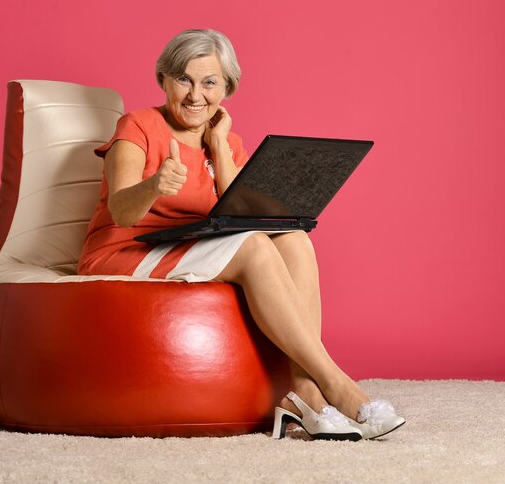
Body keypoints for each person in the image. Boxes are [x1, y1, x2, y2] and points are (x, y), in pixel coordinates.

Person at [78, 28, 405, 441]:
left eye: (210, 82)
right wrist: (155, 185)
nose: (196, 95)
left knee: (294, 239)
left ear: (227, 88)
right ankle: (338, 385)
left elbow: (242, 216)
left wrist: (217, 144)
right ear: (163, 79)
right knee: (252, 248)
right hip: (126, 248)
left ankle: (303, 393)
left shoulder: (227, 142)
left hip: (185, 244)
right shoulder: (139, 126)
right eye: (184, 79)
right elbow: (121, 212)